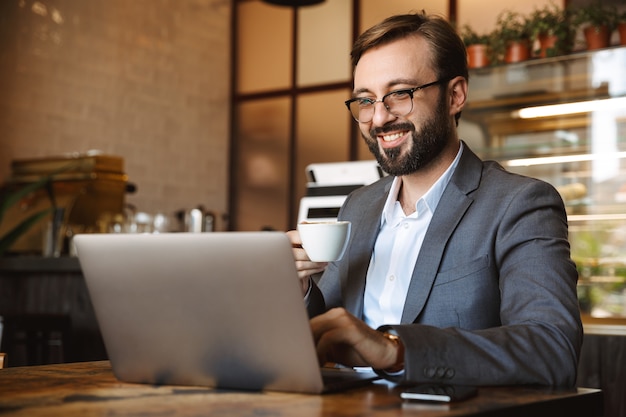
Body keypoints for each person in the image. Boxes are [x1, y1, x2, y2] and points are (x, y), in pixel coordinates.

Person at [287, 11, 582, 387]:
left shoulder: (520, 203)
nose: (378, 118)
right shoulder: (357, 207)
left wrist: (395, 350)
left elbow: (552, 350)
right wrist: (299, 291)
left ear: (455, 95)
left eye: (399, 94)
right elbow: (328, 324)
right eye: (365, 100)